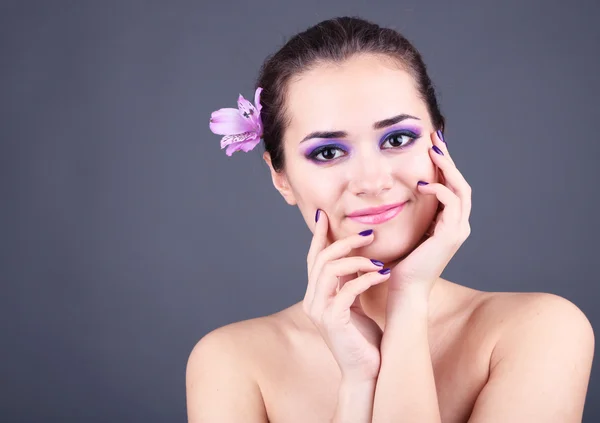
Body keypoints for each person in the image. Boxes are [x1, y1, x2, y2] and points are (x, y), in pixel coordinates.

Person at [186, 16, 594, 422]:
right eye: (328, 152)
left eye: (397, 139)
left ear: (440, 144)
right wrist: (359, 384)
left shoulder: (540, 332)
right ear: (282, 179)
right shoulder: (233, 363)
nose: (373, 181)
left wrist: (408, 301)